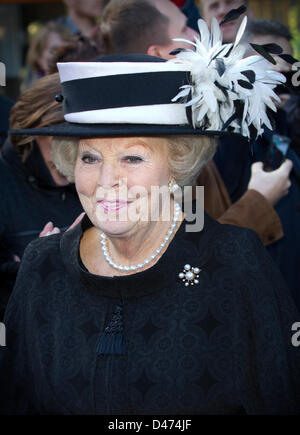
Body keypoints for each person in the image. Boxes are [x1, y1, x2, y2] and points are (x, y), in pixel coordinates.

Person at [1, 15, 299, 414]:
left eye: (133, 157)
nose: (107, 181)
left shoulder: (234, 262)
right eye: (89, 157)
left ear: (178, 165)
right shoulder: (43, 266)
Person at [100, 0, 289, 247]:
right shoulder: (149, 143)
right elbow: (188, 250)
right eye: (184, 29)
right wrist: (259, 200)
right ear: (157, 54)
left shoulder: (181, 122)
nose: (196, 34)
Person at [0, 73, 83, 320]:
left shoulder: (90, 183)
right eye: (60, 138)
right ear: (30, 129)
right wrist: (36, 265)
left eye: (82, 140)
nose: (69, 156)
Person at [24, 21, 74, 89]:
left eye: (66, 50)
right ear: (38, 56)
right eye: (54, 50)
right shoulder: (36, 91)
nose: (62, 54)